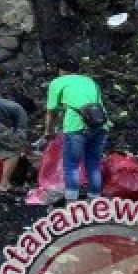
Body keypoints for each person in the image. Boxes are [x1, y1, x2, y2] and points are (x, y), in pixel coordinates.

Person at [44, 58, 109, 203]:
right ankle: (95, 202)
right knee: (93, 163)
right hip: (100, 125)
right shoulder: (90, 81)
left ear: (60, 70)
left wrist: (48, 131)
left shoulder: (58, 82)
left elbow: (51, 111)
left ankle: (72, 204)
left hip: (76, 127)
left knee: (71, 164)